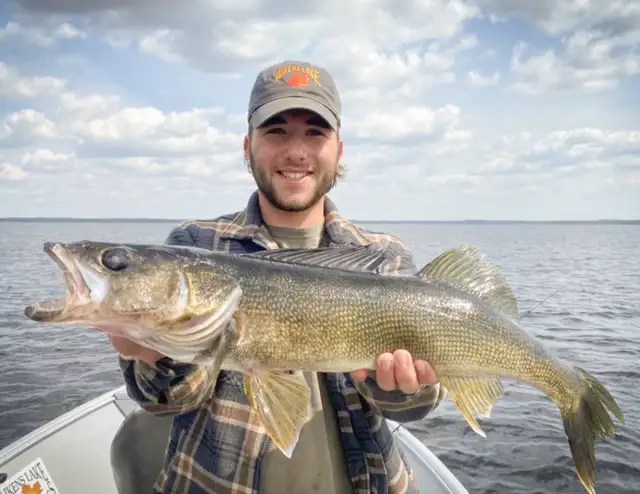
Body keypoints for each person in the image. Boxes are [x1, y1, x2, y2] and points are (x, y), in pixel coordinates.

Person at [107, 60, 447, 494]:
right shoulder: (197, 245)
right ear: (247, 146)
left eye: (315, 133)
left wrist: (401, 389)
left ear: (339, 150)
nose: (296, 151)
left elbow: (412, 408)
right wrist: (153, 353)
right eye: (276, 131)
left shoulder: (383, 257)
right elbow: (169, 401)